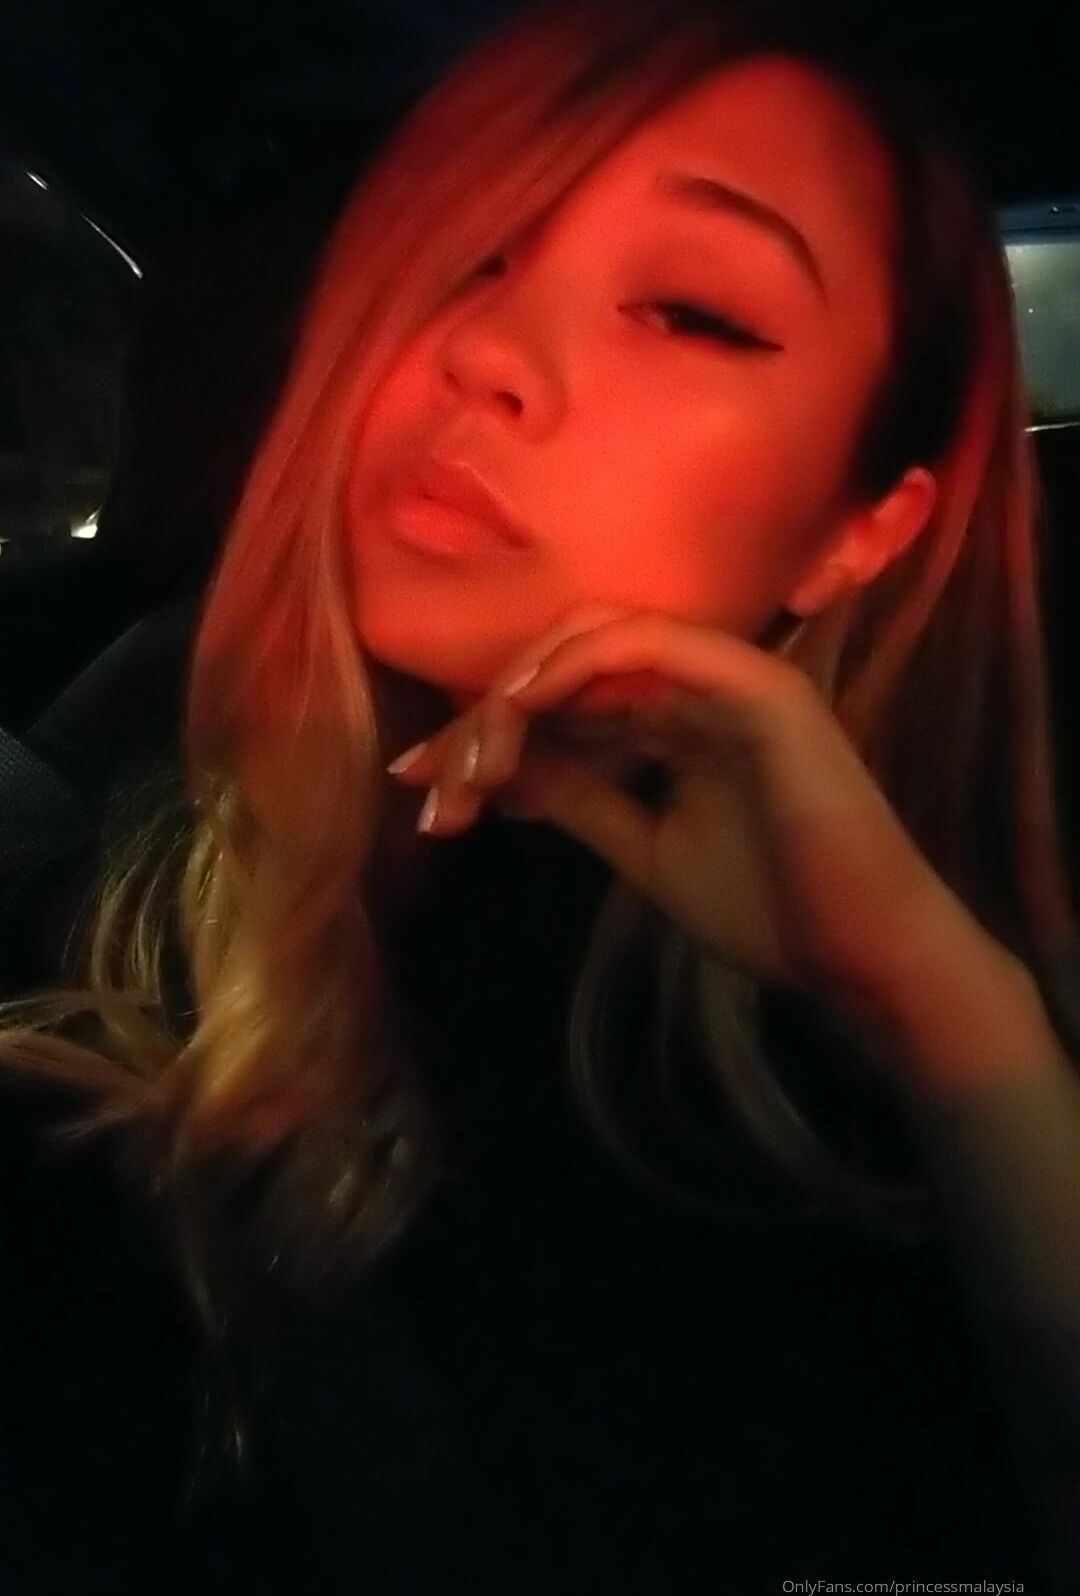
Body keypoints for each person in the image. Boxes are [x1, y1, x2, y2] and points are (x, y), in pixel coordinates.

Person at [1, 0, 1079, 1589]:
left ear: (862, 529)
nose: (485, 354)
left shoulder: (905, 1110)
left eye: (695, 312)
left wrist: (946, 1013)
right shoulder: (109, 855)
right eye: (472, 253)